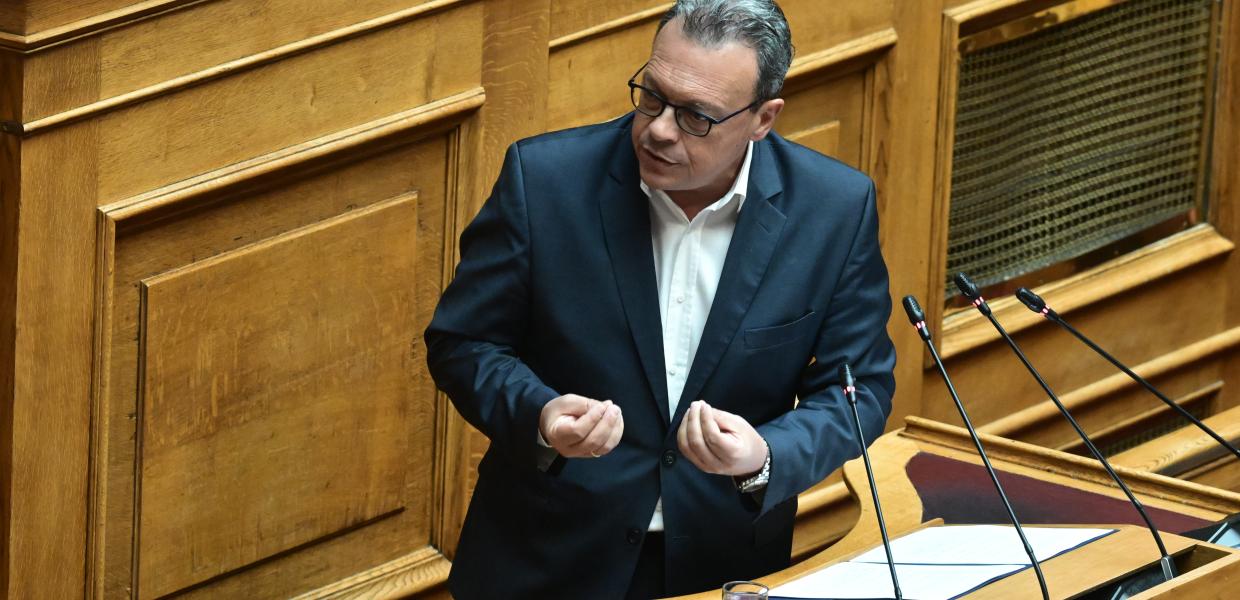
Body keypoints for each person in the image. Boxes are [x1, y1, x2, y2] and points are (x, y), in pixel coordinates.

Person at [424, 1, 896, 597]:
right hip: (546, 560)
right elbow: (463, 342)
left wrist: (767, 454)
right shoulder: (543, 181)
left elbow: (859, 389)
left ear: (763, 118)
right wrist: (539, 415)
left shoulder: (833, 209)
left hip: (719, 563)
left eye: (696, 116)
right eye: (652, 96)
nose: (659, 130)